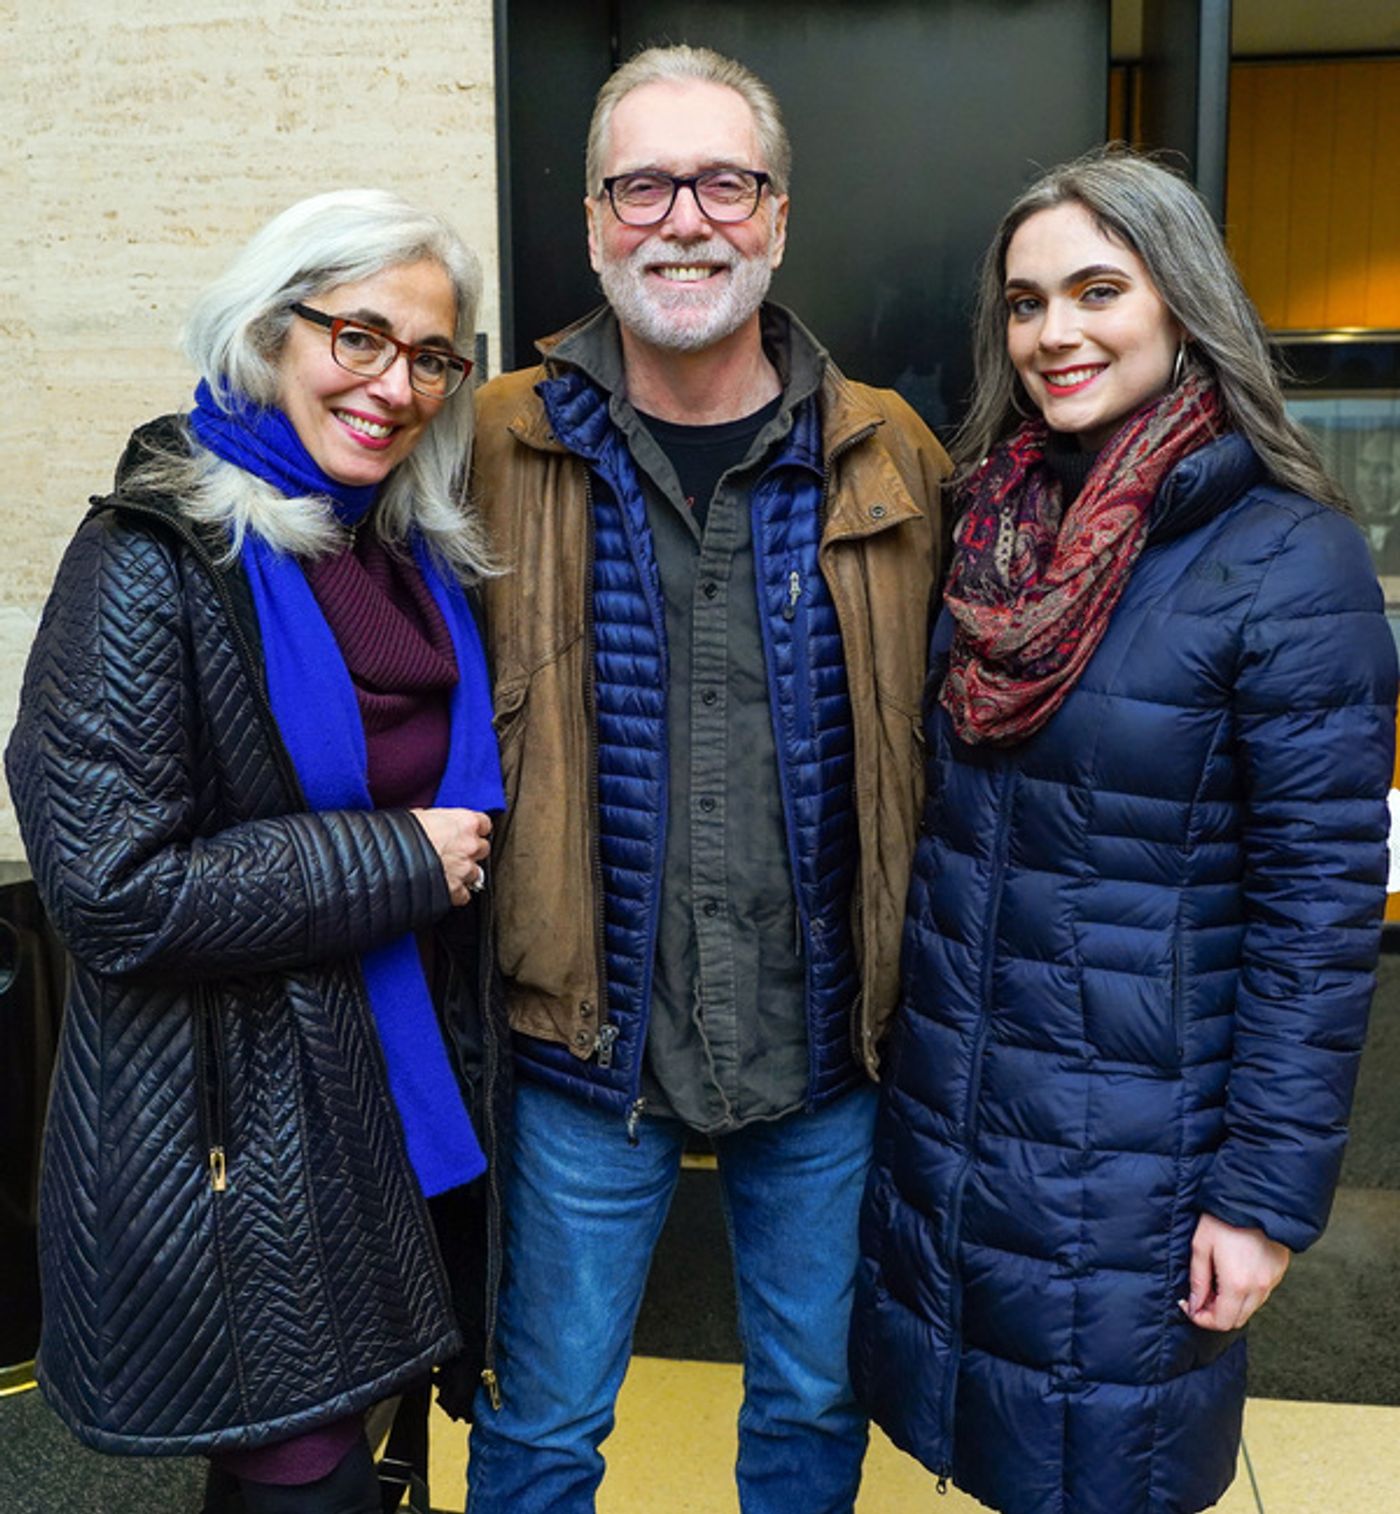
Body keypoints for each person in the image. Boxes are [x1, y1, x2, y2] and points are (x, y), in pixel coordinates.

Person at [850, 147, 1397, 1514]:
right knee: (1000, 1450)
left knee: (1104, 1470)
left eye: (1099, 290)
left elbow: (1320, 922)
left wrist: (1261, 1199)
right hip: (966, 1121)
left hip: (1138, 1161)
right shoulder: (993, 528)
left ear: (1183, 304)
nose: (1056, 332)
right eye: (1027, 302)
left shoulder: (1289, 557)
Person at [465, 43, 949, 1514]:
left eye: (725, 182)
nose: (686, 218)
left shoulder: (891, 451)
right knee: (542, 1426)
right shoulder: (492, 443)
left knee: (812, 1405)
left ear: (779, 217)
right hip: (580, 1044)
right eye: (645, 185)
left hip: (823, 1049)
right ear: (595, 220)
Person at [6, 189, 507, 1514]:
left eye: (432, 357)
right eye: (360, 336)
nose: (396, 386)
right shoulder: (149, 555)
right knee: (304, 1479)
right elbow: (110, 889)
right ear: (270, 331)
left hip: (390, 1090)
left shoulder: (402, 546)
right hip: (240, 1136)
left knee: (375, 1457)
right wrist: (398, 861)